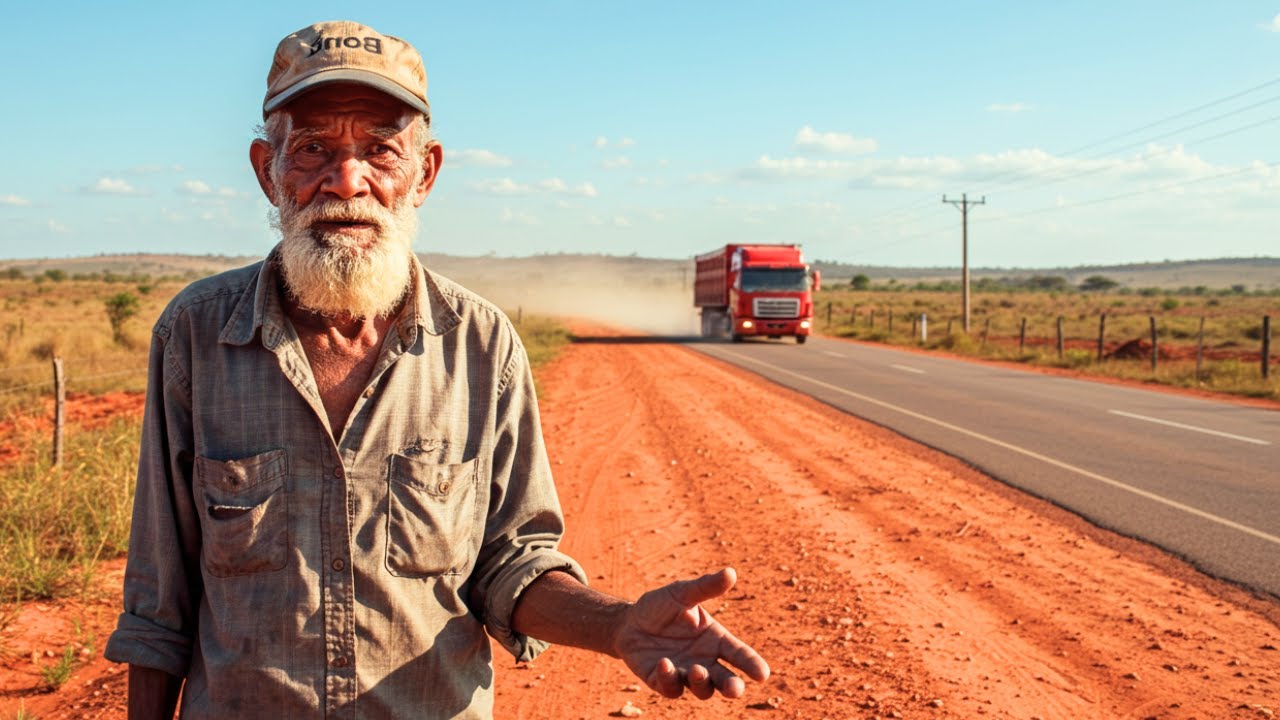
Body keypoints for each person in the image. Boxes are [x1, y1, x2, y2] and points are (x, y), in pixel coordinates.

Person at [103, 20, 769, 719]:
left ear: (424, 174)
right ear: (266, 169)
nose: (347, 180)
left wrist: (616, 624)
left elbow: (512, 563)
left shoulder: (483, 346)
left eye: (381, 152)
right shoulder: (197, 334)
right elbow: (159, 599)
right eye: (312, 149)